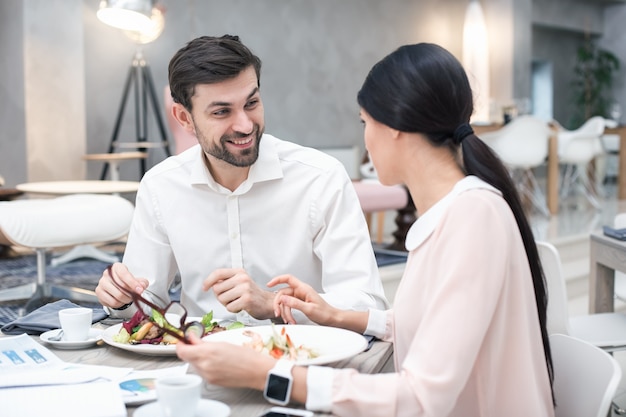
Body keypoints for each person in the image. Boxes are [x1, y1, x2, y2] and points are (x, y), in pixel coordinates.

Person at [176, 42, 555, 416]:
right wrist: (334, 314)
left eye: (364, 122)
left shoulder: (474, 217)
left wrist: (268, 374)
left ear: (394, 129)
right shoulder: (459, 211)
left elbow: (421, 399)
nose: (365, 139)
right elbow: (432, 324)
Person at [95, 34, 388, 324]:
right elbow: (146, 302)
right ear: (184, 119)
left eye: (251, 103)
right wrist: (121, 300)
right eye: (222, 111)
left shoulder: (321, 178)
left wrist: (274, 303)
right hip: (201, 359)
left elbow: (364, 303)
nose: (245, 125)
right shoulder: (160, 186)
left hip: (300, 357)